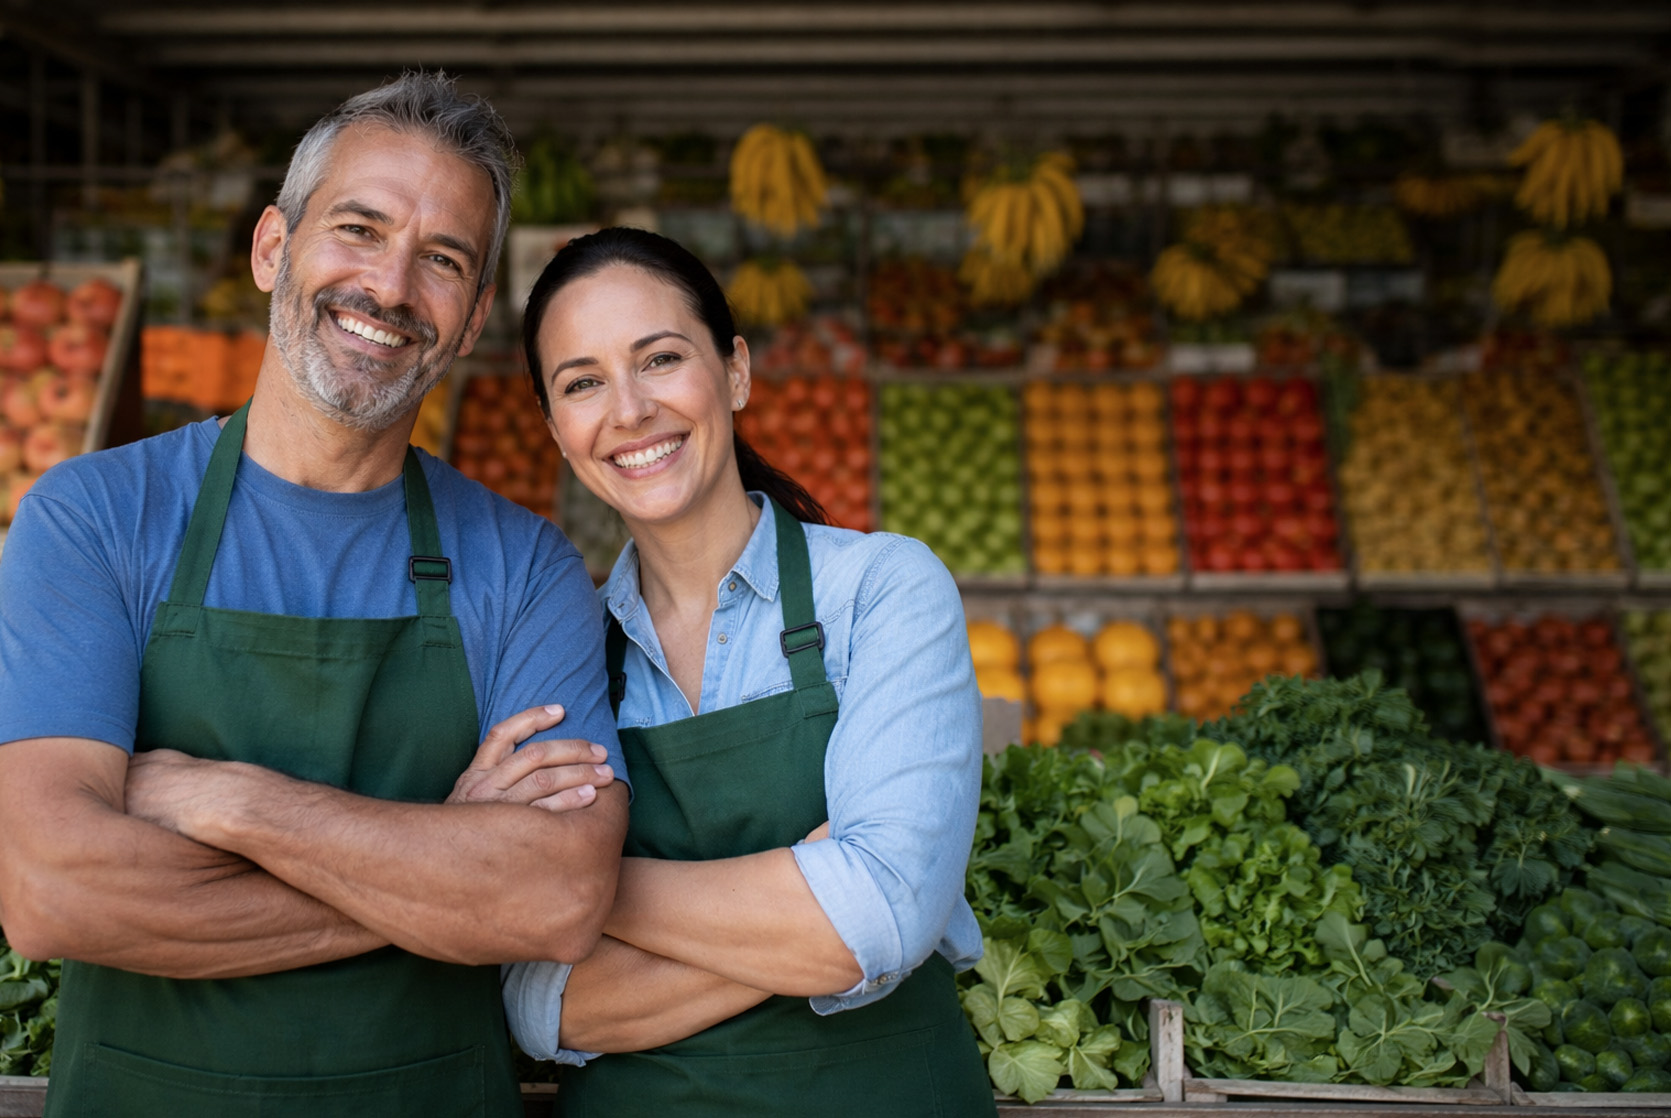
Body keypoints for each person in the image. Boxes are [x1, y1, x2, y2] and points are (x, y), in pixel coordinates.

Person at [0, 73, 628, 1118]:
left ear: (472, 319)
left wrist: (227, 800)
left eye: (442, 260)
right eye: (360, 228)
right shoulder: (92, 518)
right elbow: (50, 887)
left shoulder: (526, 567)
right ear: (271, 249)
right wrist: (439, 870)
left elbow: (555, 895)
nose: (388, 287)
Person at [500, 227, 997, 1116]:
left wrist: (576, 887)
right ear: (555, 428)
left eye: (659, 359)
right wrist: (807, 897)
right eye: (582, 382)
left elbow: (877, 918)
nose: (628, 408)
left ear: (734, 371)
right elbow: (540, 1006)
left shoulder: (881, 589)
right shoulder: (558, 645)